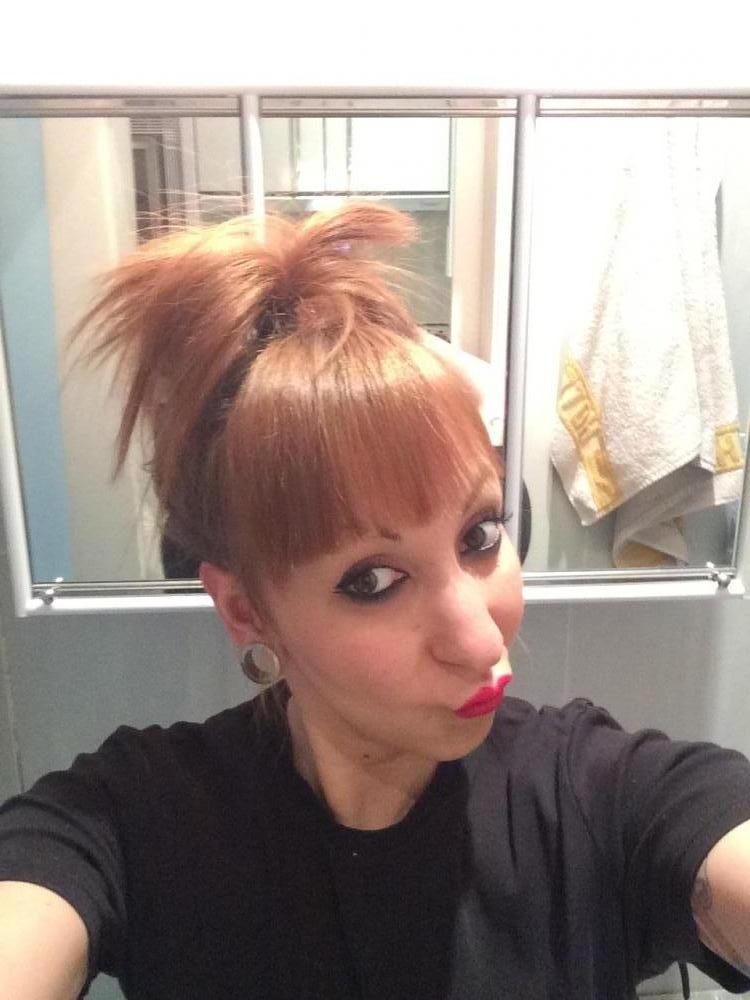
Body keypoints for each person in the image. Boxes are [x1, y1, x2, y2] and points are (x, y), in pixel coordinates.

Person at [0, 203, 749, 1000]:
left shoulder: (595, 794)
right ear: (248, 611)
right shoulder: (137, 820)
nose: (479, 640)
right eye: (373, 581)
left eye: (480, 534)